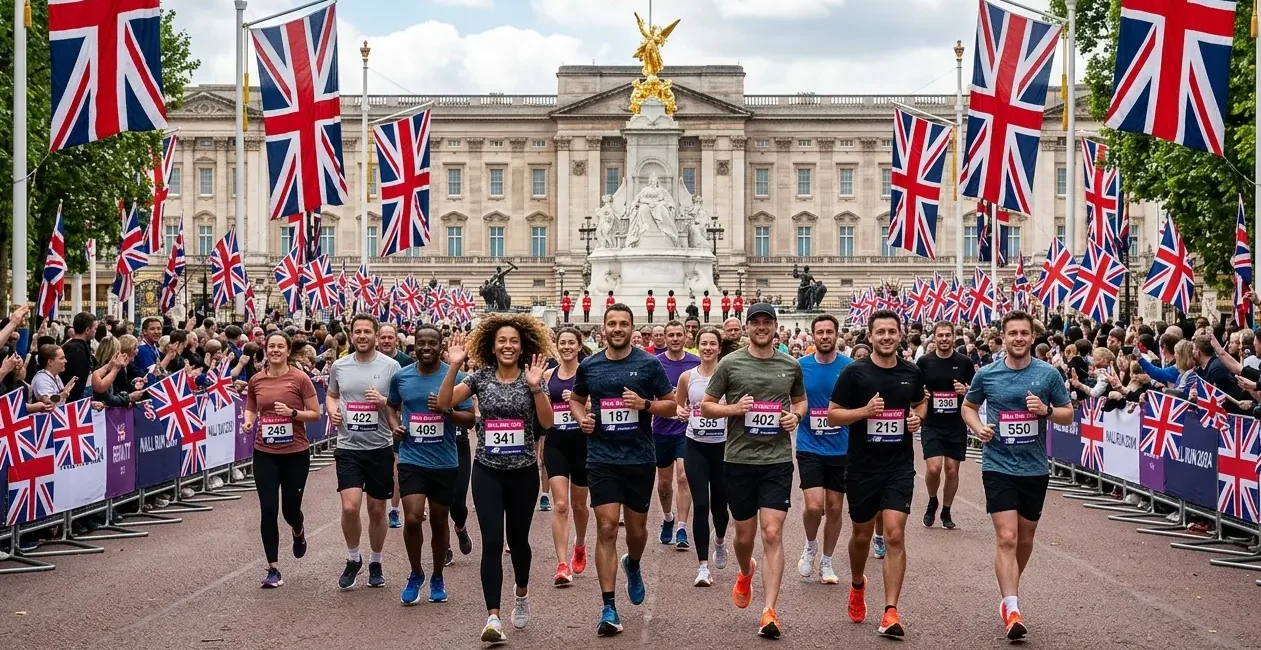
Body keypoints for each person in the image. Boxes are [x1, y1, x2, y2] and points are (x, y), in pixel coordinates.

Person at [439, 314, 554, 643]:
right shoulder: (479, 377)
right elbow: (445, 403)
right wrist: (454, 366)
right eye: (502, 341)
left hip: (522, 473)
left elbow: (547, 423)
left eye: (513, 341)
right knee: (491, 542)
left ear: (522, 347)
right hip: (488, 470)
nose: (507, 345)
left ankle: (521, 593)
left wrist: (535, 389)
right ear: (492, 345)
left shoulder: (532, 378)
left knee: (518, 542)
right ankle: (493, 617)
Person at [961, 311, 1073, 641]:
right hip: (998, 464)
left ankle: (1010, 591)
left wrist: (1047, 411)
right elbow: (968, 406)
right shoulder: (987, 374)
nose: (1019, 338)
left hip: (1035, 467)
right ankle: (1012, 607)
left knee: (1024, 540)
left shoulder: (1048, 375)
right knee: (1007, 537)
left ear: (1032, 337)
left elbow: (1068, 414)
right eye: (1013, 333)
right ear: (1004, 338)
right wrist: (979, 427)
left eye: (1024, 333)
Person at [568, 303, 676, 637]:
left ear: (632, 328)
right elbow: (575, 398)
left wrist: (644, 405)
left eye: (623, 324)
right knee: (606, 527)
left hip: (639, 457)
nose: (617, 328)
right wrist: (581, 418)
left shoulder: (648, 364)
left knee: (637, 531)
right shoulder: (590, 365)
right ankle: (609, 606)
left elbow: (671, 406)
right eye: (612, 323)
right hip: (602, 457)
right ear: (603, 328)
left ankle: (633, 562)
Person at [701, 302, 806, 639]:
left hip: (776, 461)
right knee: (744, 537)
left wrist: (796, 417)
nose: (762, 327)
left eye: (767, 322)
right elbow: (707, 405)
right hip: (739, 460)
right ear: (747, 328)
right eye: (756, 322)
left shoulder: (790, 365)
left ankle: (769, 611)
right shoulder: (730, 364)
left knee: (772, 533)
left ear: (775, 327)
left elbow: (800, 401)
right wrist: (734, 408)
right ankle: (746, 570)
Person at [828, 309, 925, 638]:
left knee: (895, 534)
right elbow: (833, 415)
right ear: (869, 336)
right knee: (861, 536)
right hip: (861, 466)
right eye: (880, 332)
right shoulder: (855, 373)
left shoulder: (911, 372)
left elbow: (920, 402)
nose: (886, 337)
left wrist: (917, 418)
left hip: (899, 466)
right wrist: (864, 412)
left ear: (900, 335)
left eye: (892, 332)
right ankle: (857, 585)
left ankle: (891, 611)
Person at [388, 325, 475, 605]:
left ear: (441, 346)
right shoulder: (402, 376)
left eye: (432, 344)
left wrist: (447, 410)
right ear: (414, 346)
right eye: (421, 344)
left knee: (439, 521)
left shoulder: (456, 377)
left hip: (445, 460)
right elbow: (391, 406)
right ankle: (416, 573)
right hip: (412, 457)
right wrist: (394, 426)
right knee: (412, 517)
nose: (426, 348)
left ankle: (437, 575)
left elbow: (471, 419)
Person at [327, 315, 402, 591]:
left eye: (367, 332)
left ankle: (376, 561)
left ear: (374, 336)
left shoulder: (391, 366)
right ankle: (353, 557)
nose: (362, 336)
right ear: (351, 335)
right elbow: (332, 395)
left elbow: (398, 404)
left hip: (379, 447)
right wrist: (332, 409)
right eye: (357, 331)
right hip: (348, 447)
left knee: (377, 509)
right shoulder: (339, 365)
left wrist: (383, 401)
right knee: (349, 507)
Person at [243, 332, 321, 588]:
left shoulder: (300, 379)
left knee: (289, 509)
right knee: (268, 509)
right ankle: (273, 568)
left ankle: (298, 529)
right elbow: (251, 406)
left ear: (288, 351)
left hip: (295, 453)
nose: (275, 350)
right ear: (266, 350)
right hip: (265, 452)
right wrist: (248, 421)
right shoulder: (256, 379)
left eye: (280, 346)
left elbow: (315, 414)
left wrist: (292, 413)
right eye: (271, 346)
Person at [795, 315, 852, 585]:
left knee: (835, 507)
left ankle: (827, 561)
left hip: (841, 446)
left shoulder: (850, 367)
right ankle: (810, 544)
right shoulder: (800, 366)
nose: (825, 336)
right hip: (809, 444)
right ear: (813, 336)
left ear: (837, 335)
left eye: (830, 331)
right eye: (820, 332)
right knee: (814, 506)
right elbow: (791, 399)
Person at [675, 326, 730, 587]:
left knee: (721, 505)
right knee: (700, 505)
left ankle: (719, 540)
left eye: (712, 344)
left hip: (723, 446)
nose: (708, 348)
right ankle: (703, 567)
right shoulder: (688, 377)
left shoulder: (730, 375)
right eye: (704, 343)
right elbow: (678, 403)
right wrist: (681, 412)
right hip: (695, 444)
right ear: (697, 346)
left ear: (719, 347)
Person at [543, 327, 592, 586]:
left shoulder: (588, 373)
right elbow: (540, 407)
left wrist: (579, 402)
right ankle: (562, 565)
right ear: (557, 346)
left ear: (579, 345)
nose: (566, 347)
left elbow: (599, 404)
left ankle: (580, 544)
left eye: (571, 343)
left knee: (579, 506)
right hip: (556, 443)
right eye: (562, 343)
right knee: (560, 505)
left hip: (582, 444)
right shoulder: (548, 375)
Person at [916, 321, 975, 529]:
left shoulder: (964, 362)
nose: (944, 339)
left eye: (947, 335)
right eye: (940, 335)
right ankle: (932, 500)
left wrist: (965, 391)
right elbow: (915, 391)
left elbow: (975, 393)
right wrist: (920, 395)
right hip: (932, 422)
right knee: (934, 468)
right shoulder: (924, 362)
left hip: (956, 423)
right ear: (934, 337)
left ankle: (947, 510)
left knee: (951, 470)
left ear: (953, 337)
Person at [654, 321, 699, 550]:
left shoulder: (696, 363)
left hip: (686, 429)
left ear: (685, 337)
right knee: (663, 484)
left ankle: (682, 527)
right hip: (661, 430)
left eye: (678, 334)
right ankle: (668, 517)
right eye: (669, 335)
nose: (673, 339)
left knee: (683, 477)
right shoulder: (655, 363)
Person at [380, 322, 412, 528]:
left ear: (396, 340)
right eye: (382, 337)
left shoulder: (406, 362)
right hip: (373, 425)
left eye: (390, 337)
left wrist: (385, 402)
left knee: (397, 469)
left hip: (397, 422)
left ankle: (394, 510)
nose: (386, 341)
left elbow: (408, 397)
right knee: (382, 471)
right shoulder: (371, 360)